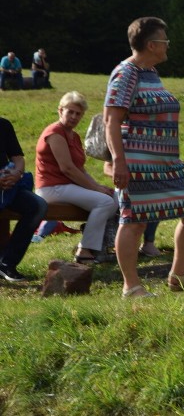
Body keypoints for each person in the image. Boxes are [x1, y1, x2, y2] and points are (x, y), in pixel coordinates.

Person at [104, 16, 184, 297]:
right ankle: (132, 286)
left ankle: (179, 273)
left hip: (165, 162)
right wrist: (119, 161)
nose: (168, 46)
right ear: (151, 44)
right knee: (134, 220)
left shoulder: (149, 72)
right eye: (165, 41)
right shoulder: (126, 73)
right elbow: (111, 121)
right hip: (136, 163)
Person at [34, 91, 119, 263]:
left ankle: (105, 244)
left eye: (78, 113)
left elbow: (80, 168)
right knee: (105, 202)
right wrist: (96, 189)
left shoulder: (74, 136)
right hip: (51, 188)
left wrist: (100, 187)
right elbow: (67, 169)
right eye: (70, 111)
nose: (74, 116)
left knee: (115, 197)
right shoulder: (55, 132)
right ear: (60, 111)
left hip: (66, 186)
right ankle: (84, 250)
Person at [0, 118, 48, 282]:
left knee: (37, 206)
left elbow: (17, 158)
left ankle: (7, 263)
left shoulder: (4, 125)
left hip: (6, 186)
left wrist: (16, 173)